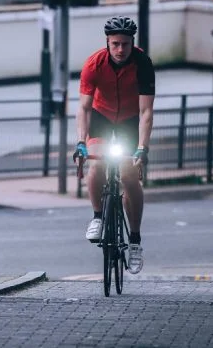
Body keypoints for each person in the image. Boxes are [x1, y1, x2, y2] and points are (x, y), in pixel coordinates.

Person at [72, 16, 155, 275]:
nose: (120, 50)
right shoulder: (94, 64)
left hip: (130, 119)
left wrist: (142, 147)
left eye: (126, 44)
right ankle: (97, 217)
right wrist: (81, 143)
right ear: (107, 42)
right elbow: (84, 108)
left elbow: (146, 113)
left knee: (129, 175)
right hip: (102, 117)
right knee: (96, 168)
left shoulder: (143, 63)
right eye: (115, 44)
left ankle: (136, 241)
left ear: (133, 44)